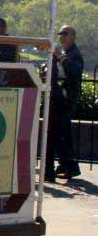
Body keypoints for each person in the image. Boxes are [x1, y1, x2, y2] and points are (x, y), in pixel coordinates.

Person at [45, 25, 84, 181]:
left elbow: (73, 72)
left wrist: (60, 57)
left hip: (66, 100)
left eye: (65, 33)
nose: (61, 36)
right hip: (58, 98)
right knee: (63, 134)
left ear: (73, 36)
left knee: (58, 134)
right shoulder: (65, 53)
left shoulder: (75, 54)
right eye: (60, 33)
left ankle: (70, 166)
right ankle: (68, 167)